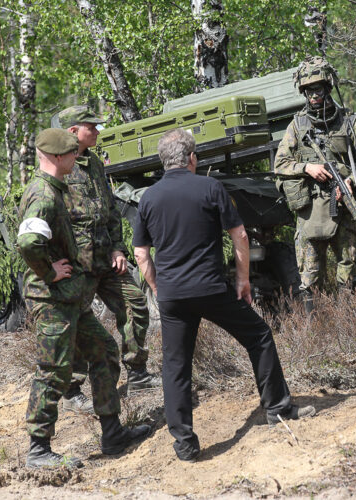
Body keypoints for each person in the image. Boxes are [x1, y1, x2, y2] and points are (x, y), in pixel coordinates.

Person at [133, 128, 315, 462]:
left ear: (163, 162)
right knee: (258, 335)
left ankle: (185, 445)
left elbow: (141, 254)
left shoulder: (148, 198)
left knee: (175, 366)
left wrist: (159, 289)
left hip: (173, 296)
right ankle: (277, 408)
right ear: (192, 158)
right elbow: (240, 234)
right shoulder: (210, 187)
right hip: (211, 289)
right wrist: (243, 280)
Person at [18, 128, 150, 468]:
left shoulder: (54, 189)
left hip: (71, 296)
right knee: (54, 371)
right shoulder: (44, 195)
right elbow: (28, 242)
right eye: (72, 155)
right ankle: (38, 449)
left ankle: (112, 432)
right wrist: (49, 271)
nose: (77, 159)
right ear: (58, 158)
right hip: (52, 299)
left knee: (104, 351)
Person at [51, 105, 160, 415]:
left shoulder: (94, 162)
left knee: (135, 303)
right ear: (73, 132)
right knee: (74, 324)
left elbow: (110, 210)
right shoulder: (57, 164)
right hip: (76, 264)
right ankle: (72, 390)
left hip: (105, 258)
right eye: (92, 127)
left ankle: (137, 372)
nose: (97, 131)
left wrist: (117, 249)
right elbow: (49, 217)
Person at [274, 55, 356, 312]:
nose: (313, 97)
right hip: (310, 210)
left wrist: (351, 182)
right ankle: (314, 331)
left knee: (349, 271)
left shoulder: (350, 122)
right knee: (309, 277)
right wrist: (307, 168)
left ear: (328, 88)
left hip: (344, 208)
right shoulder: (297, 127)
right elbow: (280, 164)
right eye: (308, 91)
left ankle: (350, 326)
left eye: (318, 90)